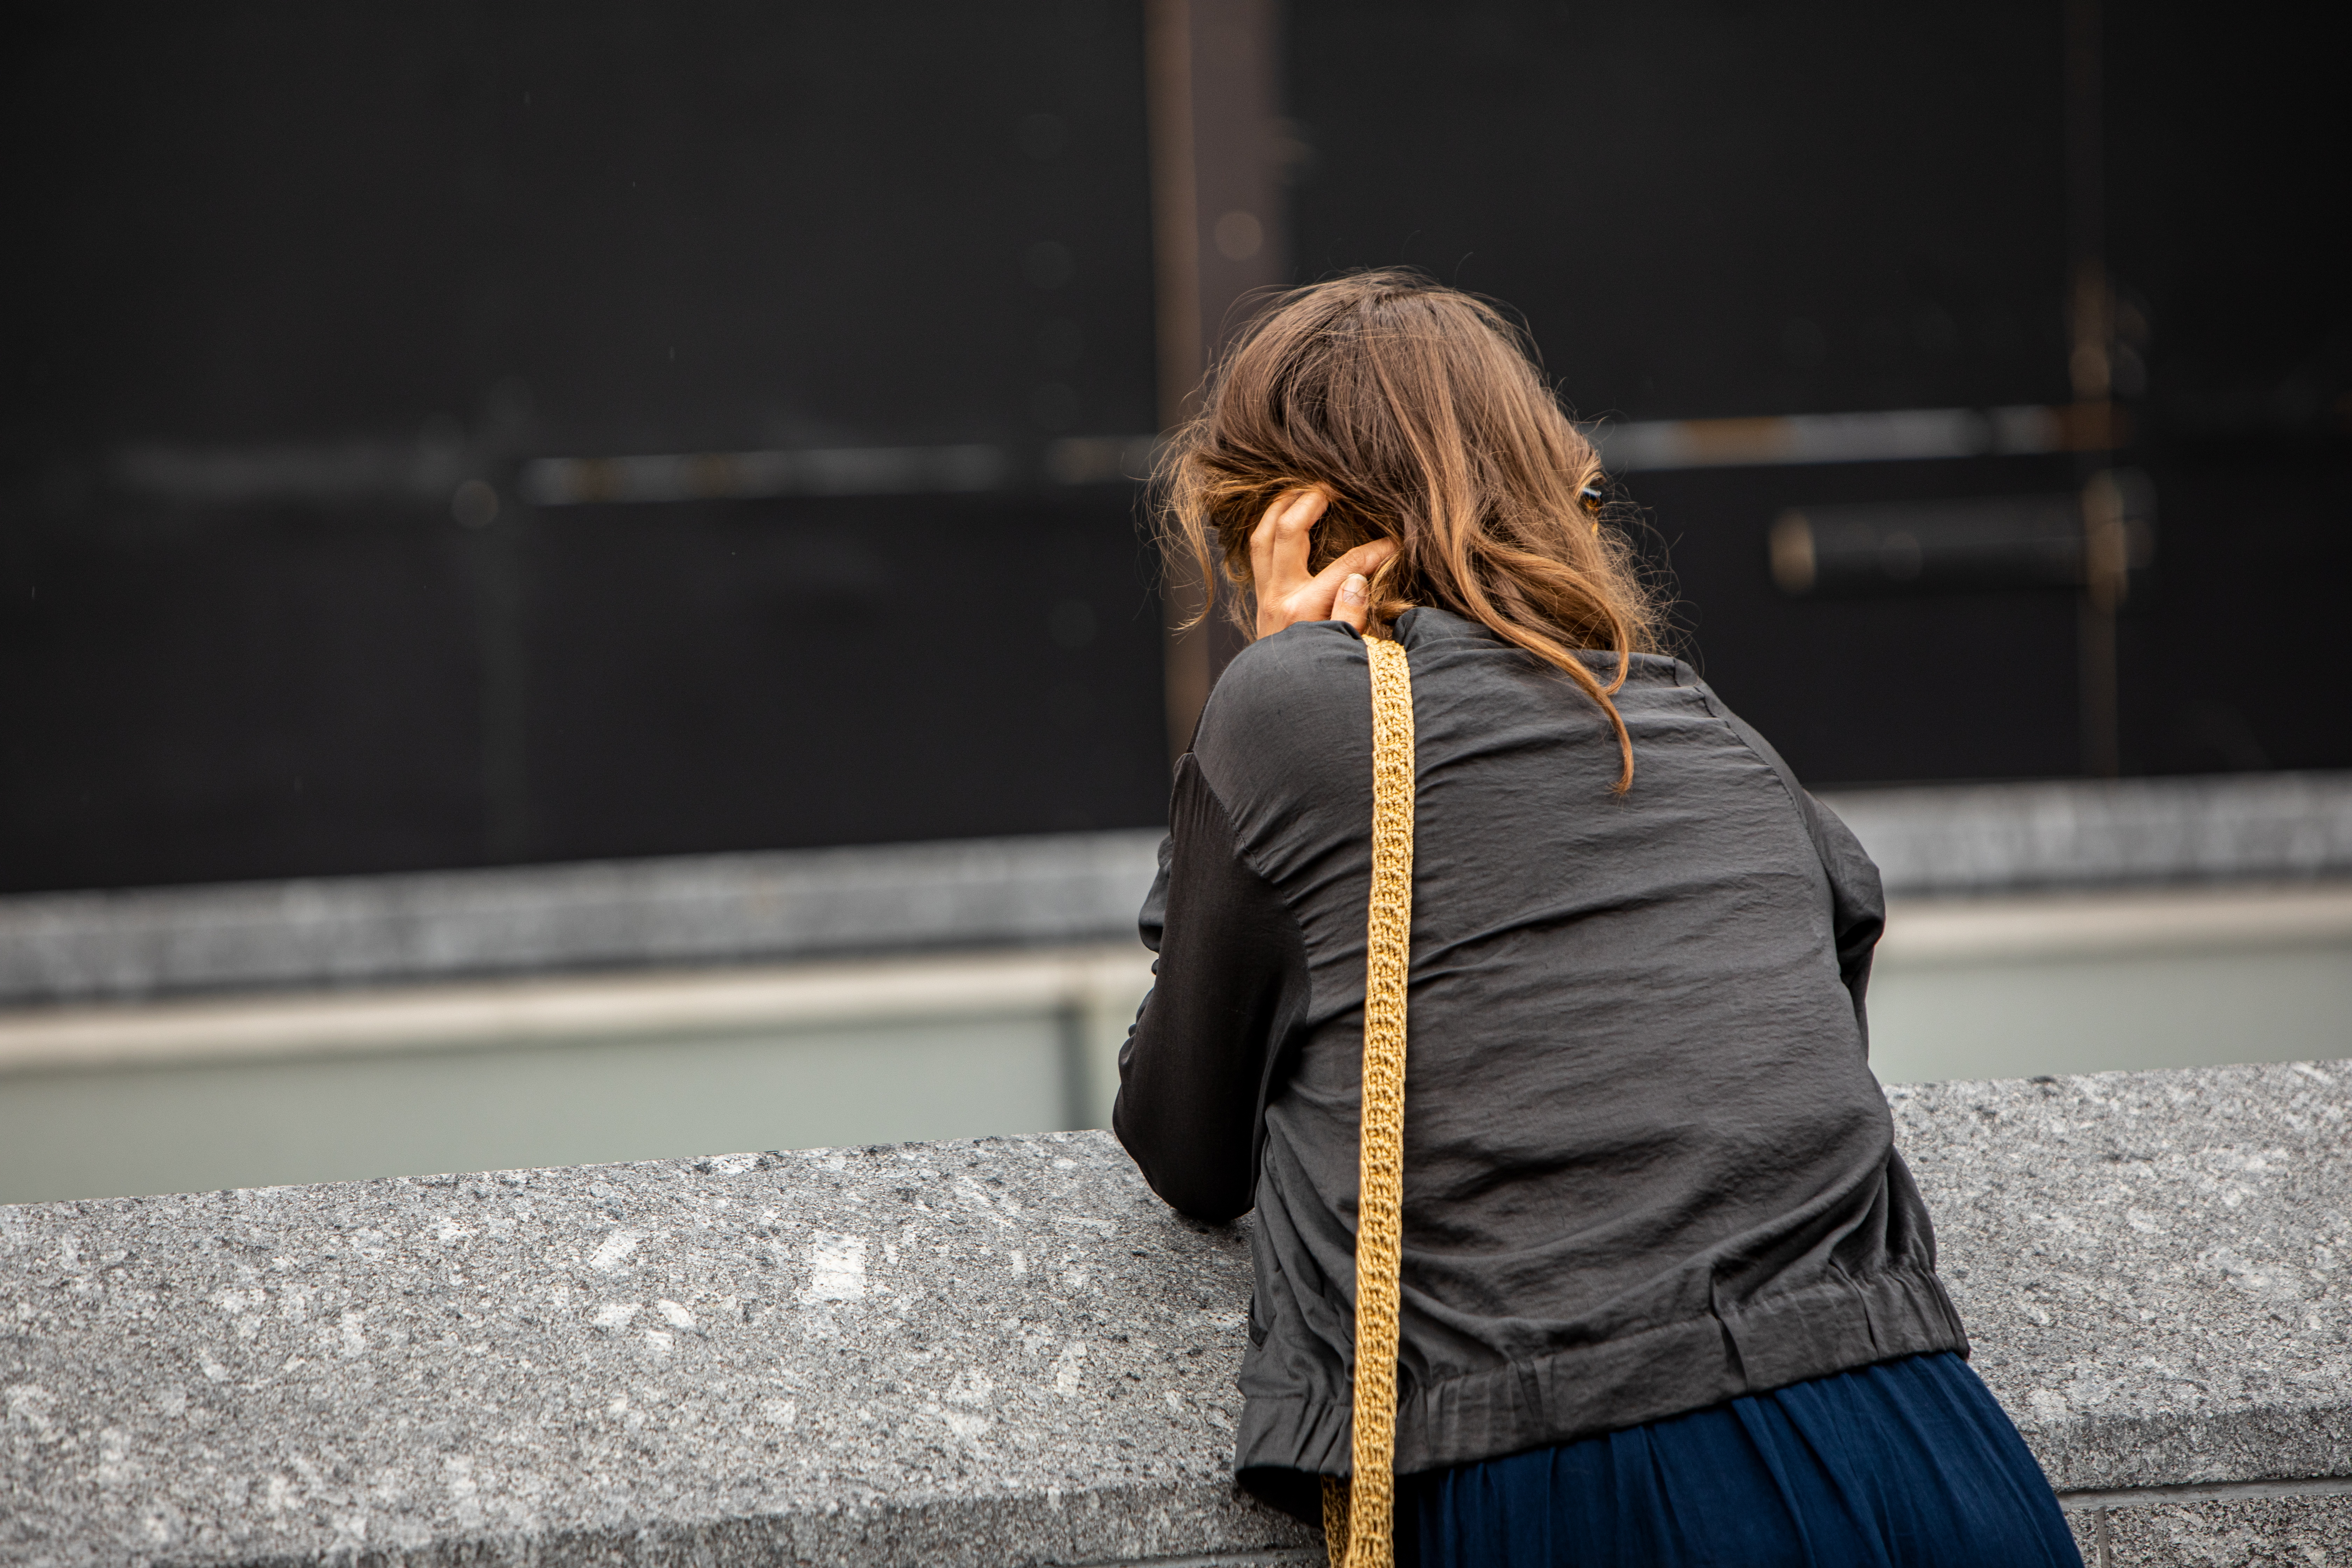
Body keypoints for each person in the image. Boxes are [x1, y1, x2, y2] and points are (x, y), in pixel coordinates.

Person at [1113, 270, 2081, 1568]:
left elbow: (1185, 1142)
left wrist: (1282, 661)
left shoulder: (1290, 711)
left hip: (1609, 1482)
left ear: (1295, 532)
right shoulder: (1721, 737)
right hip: (1939, 1451)